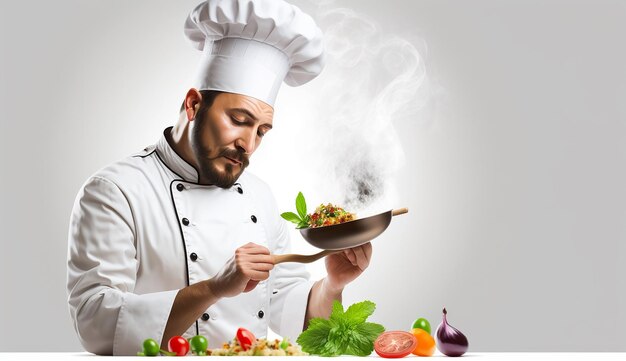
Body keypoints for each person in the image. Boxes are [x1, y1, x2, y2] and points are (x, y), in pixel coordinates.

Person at [66, 0, 372, 356]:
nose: (248, 144)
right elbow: (94, 324)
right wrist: (213, 288)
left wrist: (332, 285)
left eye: (261, 131)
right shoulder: (116, 191)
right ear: (194, 104)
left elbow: (296, 317)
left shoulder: (260, 196)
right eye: (239, 120)